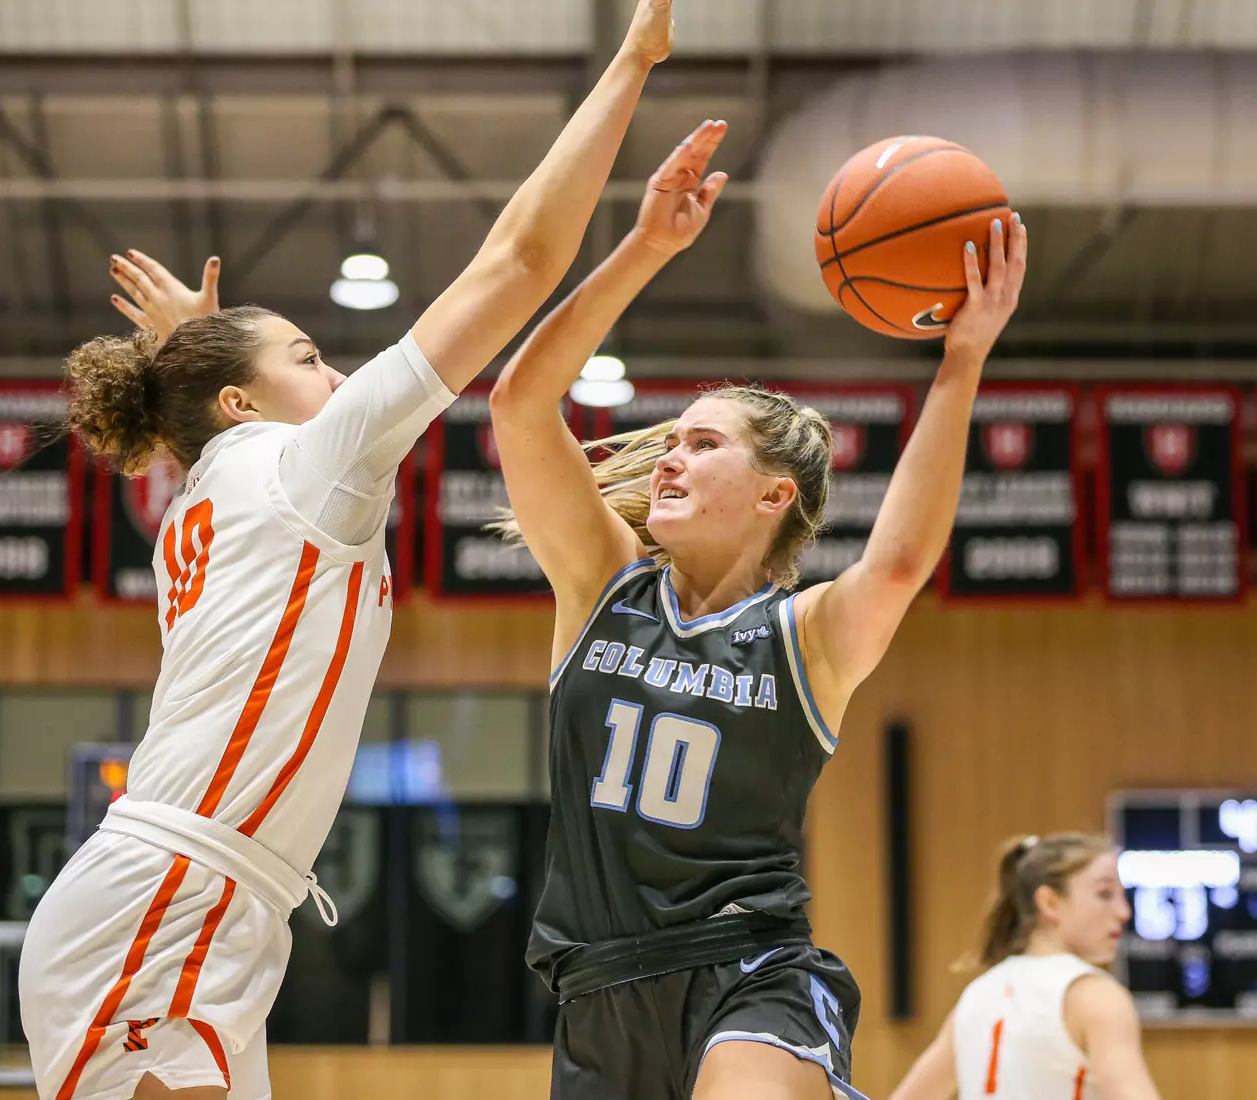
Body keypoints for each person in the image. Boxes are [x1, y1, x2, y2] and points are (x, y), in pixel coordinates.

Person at [17, 4, 676, 1097]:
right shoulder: (305, 461)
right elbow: (518, 259)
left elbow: (208, 427)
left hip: (202, 900)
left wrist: (201, 343)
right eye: (312, 353)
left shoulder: (223, 480)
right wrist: (631, 62)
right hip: (173, 894)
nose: (336, 373)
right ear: (242, 401)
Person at [485, 118, 1028, 1100]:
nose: (673, 458)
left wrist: (960, 363)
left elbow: (900, 561)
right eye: (674, 443)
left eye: (704, 444)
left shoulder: (802, 634)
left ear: (777, 493)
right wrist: (646, 245)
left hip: (753, 971)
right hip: (598, 993)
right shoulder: (603, 582)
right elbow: (522, 404)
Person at [887, 834, 1162, 1100]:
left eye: (1121, 895)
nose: (1124, 911)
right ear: (1049, 902)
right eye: (1104, 894)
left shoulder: (976, 995)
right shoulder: (1094, 995)